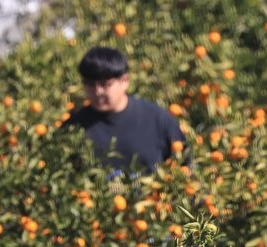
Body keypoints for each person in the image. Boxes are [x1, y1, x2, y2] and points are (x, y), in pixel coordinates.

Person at [65, 46, 189, 176]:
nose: (98, 91)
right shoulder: (74, 127)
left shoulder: (157, 119)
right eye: (90, 84)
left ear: (124, 81)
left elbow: (185, 167)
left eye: (104, 84)